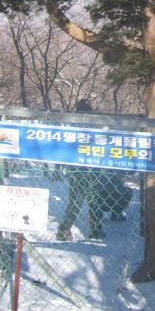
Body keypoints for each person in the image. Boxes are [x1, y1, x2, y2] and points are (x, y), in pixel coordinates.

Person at [56, 99, 105, 241]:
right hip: (92, 167)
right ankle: (95, 230)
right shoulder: (96, 124)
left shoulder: (72, 124)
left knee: (75, 202)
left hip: (76, 168)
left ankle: (64, 230)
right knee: (94, 201)